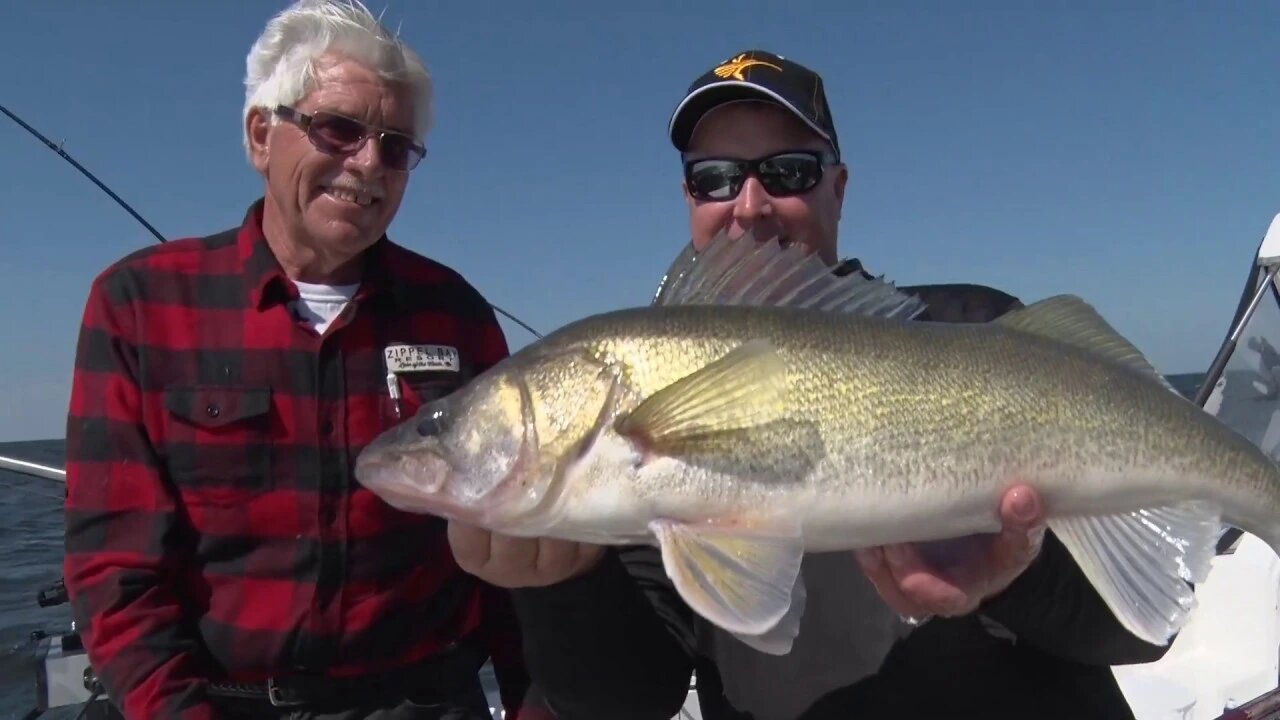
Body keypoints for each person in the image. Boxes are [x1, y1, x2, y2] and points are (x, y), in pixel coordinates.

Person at [447, 50, 1173, 720]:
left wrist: (1010, 570)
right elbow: (632, 698)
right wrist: (558, 590)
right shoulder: (633, 423)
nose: (751, 204)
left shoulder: (978, 333)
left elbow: (1144, 627)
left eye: (788, 171)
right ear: (689, 197)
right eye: (716, 179)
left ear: (839, 187)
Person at [62, 2, 542, 718]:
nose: (368, 164)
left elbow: (510, 547)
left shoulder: (458, 314)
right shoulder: (138, 304)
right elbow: (115, 571)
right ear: (262, 134)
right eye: (339, 129)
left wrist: (536, 700)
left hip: (425, 699)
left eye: (396, 145)